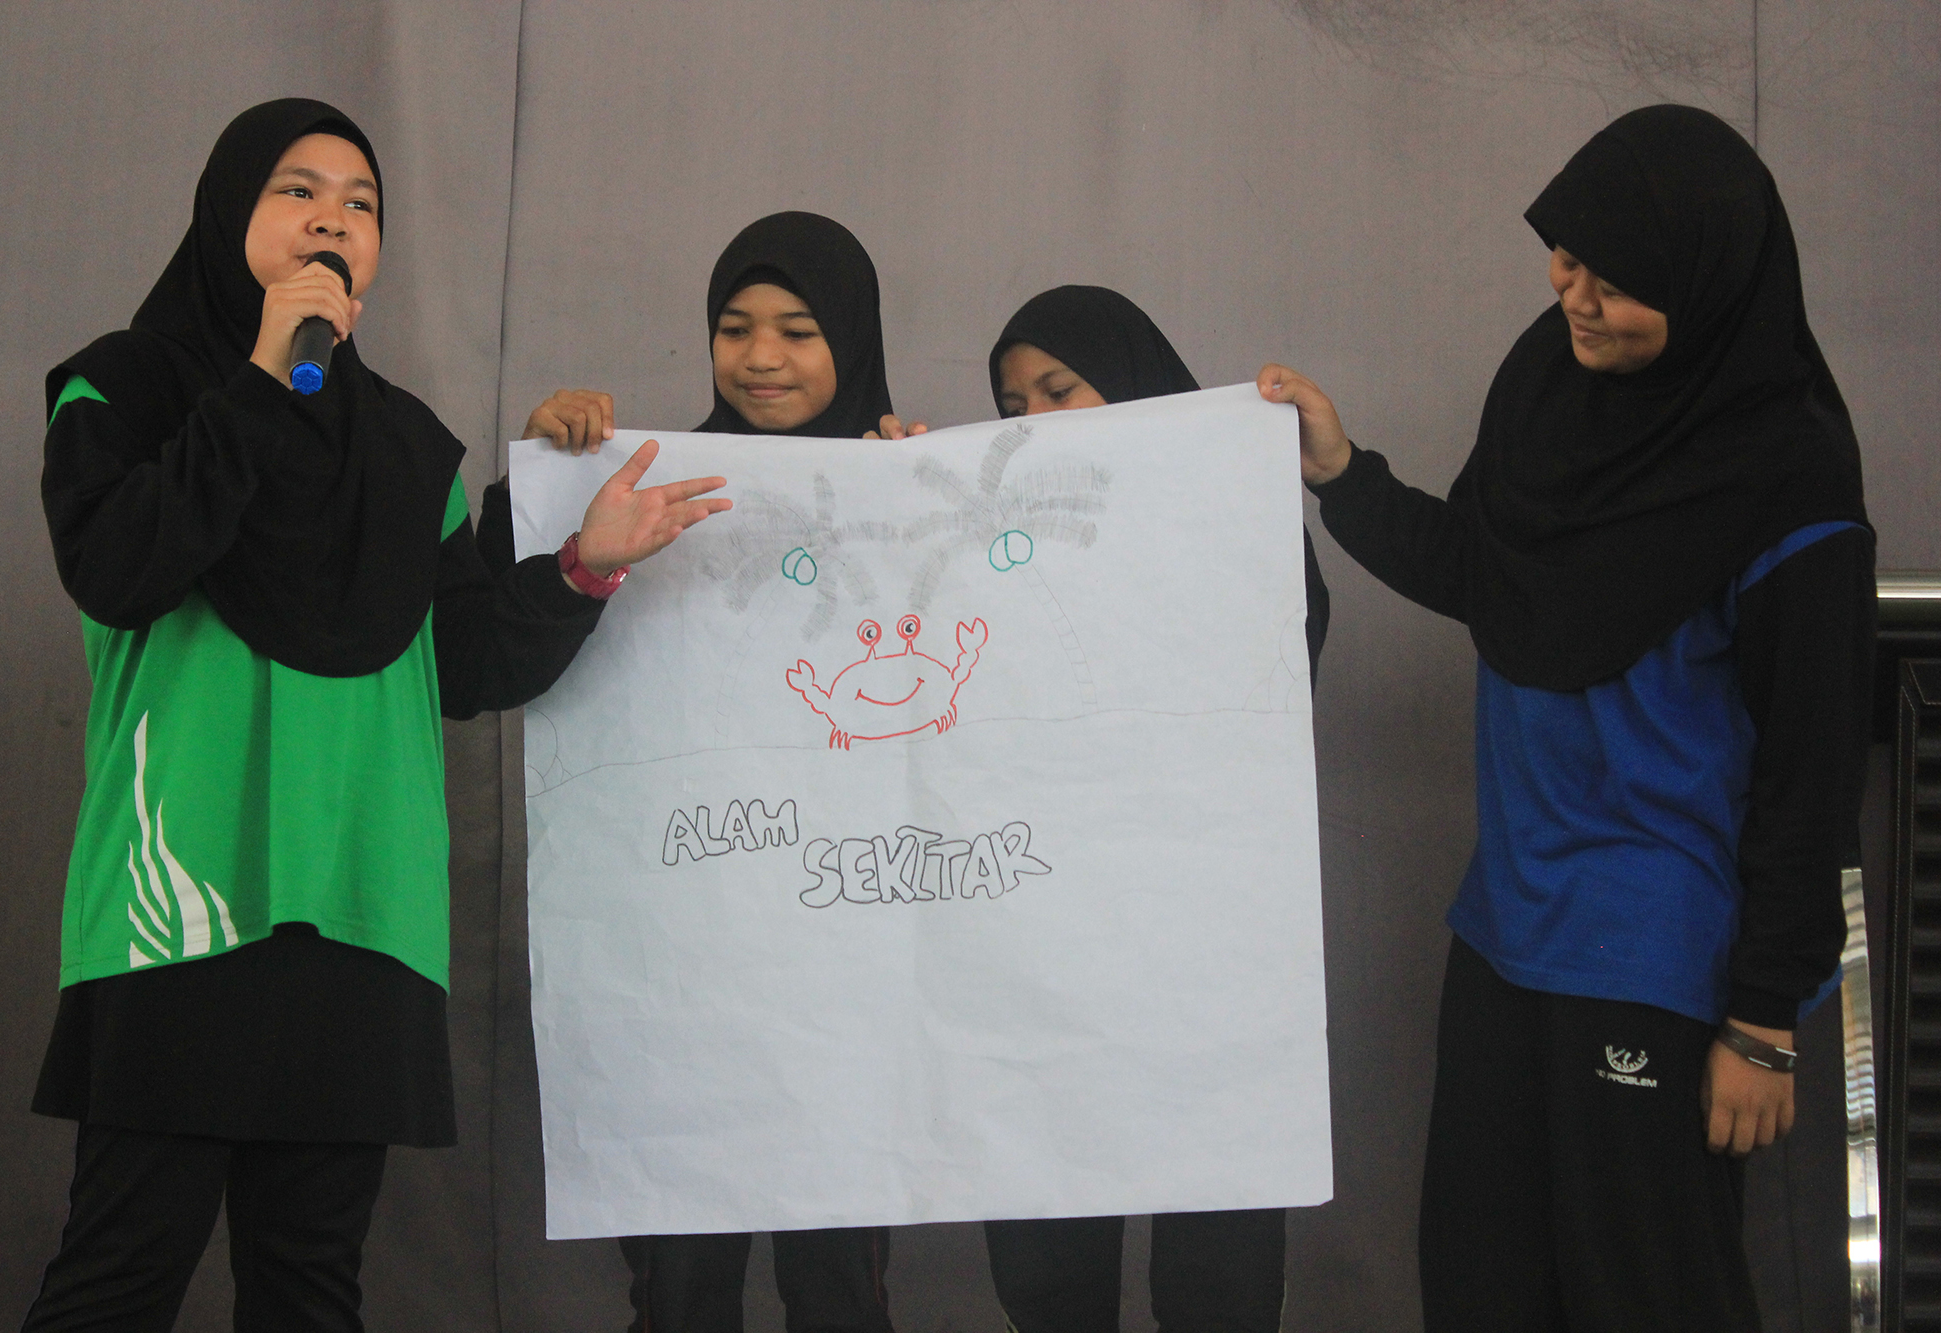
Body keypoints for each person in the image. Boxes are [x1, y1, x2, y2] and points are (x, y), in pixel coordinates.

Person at [25, 98, 728, 1332]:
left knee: (309, 1288)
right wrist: (261, 379)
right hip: (182, 900)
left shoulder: (405, 448)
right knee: (121, 1275)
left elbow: (454, 661)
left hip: (364, 909)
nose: (332, 219)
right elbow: (118, 566)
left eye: (360, 204)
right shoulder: (122, 386)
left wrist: (581, 566)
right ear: (228, 210)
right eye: (297, 190)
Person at [1261, 104, 1873, 1331]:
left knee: (1647, 1294)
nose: (1573, 296)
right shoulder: (1547, 383)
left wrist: (1762, 1021)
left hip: (1656, 950)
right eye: (1564, 257)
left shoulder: (1789, 475)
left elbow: (1811, 771)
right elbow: (1490, 580)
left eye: (1614, 281)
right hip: (1506, 924)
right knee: (1480, 1283)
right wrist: (1341, 474)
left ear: (1701, 284)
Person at [523, 210, 898, 1333]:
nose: (761, 357)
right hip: (681, 963)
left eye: (798, 329)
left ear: (852, 339)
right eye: (735, 328)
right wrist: (546, 471)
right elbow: (497, 643)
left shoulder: (908, 482)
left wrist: (931, 506)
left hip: (854, 971)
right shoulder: (643, 491)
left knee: (839, 1286)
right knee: (681, 1286)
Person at [972, 284, 1325, 1333]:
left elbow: (1284, 657)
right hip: (1040, 932)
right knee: (1048, 1246)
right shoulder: (990, 538)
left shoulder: (1230, 519)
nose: (1035, 421)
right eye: (1012, 406)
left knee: (1215, 1247)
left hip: (1199, 933)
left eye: (1059, 389)